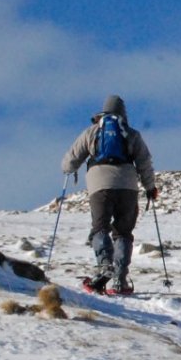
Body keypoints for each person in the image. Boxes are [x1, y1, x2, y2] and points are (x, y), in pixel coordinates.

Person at [61, 94, 158, 295]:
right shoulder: (131, 134)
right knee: (123, 232)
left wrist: (69, 170)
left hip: (99, 184)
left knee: (100, 228)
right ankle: (120, 280)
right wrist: (150, 188)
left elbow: (69, 162)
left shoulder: (92, 132)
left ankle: (105, 264)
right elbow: (145, 163)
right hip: (128, 185)